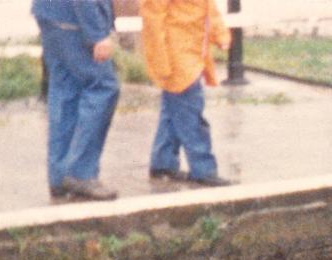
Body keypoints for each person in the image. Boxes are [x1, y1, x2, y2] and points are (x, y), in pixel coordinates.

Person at [32, 0, 121, 201]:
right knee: (104, 87)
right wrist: (98, 35)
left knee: (65, 92)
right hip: (74, 22)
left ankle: (60, 177)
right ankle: (81, 173)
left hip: (52, 16)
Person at [140, 0, 232, 187]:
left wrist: (220, 34)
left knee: (173, 111)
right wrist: (160, 61)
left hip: (192, 53)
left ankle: (163, 163)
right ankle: (203, 169)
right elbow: (153, 18)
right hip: (176, 56)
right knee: (191, 113)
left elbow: (208, 8)